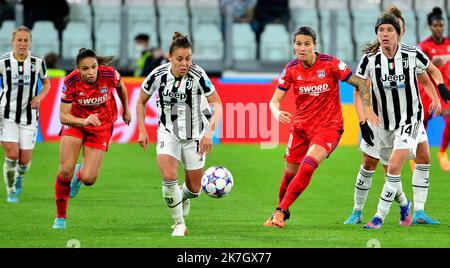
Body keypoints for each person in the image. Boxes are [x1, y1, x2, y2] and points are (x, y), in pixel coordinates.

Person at [263, 26, 376, 228]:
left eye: (307, 44)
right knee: (289, 174)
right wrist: (277, 112)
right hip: (300, 128)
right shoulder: (290, 69)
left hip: (328, 127)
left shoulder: (331, 64)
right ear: (293, 46)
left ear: (315, 45)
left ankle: (279, 213)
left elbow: (361, 84)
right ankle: (279, 212)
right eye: (298, 44)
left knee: (307, 166)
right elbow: (274, 101)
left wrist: (365, 117)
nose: (302, 48)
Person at [344, 6, 441, 225]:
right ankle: (359, 210)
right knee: (371, 163)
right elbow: (360, 90)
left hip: (410, 119)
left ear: (399, 32)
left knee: (417, 159)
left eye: (390, 29)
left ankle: (405, 214)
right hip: (380, 121)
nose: (385, 34)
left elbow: (426, 76)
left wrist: (436, 95)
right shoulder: (370, 60)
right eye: (381, 30)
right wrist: (364, 120)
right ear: (377, 33)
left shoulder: (411, 54)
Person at [136, 32, 223, 236]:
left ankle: (182, 197)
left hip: (195, 136)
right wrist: (141, 130)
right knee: (169, 177)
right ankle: (179, 224)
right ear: (170, 57)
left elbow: (217, 104)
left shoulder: (199, 75)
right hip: (168, 134)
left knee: (194, 189)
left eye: (188, 58)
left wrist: (209, 133)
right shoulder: (157, 75)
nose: (185, 63)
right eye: (179, 59)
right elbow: (140, 101)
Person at [51, 48, 131, 229]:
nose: (91, 72)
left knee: (89, 179)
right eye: (85, 69)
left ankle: (80, 173)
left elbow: (121, 88)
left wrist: (126, 109)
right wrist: (83, 120)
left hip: (100, 126)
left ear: (98, 65)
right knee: (64, 171)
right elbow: (63, 116)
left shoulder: (109, 74)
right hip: (75, 123)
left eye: (93, 67)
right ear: (78, 69)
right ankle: (60, 217)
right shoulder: (70, 82)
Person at [0, 26, 50, 203]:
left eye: (25, 40)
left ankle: (19, 177)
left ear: (30, 42)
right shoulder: (3, 61)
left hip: (29, 117)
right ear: (13, 41)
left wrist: (40, 97)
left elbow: (46, 83)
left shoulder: (37, 61)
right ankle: (11, 190)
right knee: (12, 155)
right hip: (6, 115)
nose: (22, 43)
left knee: (24, 162)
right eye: (19, 40)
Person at [418, 7, 450, 171]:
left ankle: (442, 152)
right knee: (423, 125)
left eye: (441, 25)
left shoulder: (449, 44)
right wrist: (430, 64)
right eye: (435, 25)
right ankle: (417, 155)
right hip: (427, 90)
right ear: (430, 26)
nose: (438, 28)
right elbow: (415, 67)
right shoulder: (423, 47)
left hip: (444, 88)